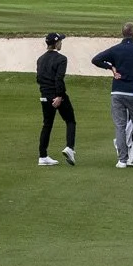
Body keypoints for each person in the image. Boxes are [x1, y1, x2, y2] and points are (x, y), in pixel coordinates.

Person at [91, 22, 133, 168]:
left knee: (120, 126)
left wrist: (111, 67)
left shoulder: (115, 50)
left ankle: (122, 160)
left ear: (123, 33)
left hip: (117, 92)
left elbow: (96, 59)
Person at [35, 32, 76, 166]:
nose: (61, 43)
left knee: (47, 124)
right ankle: (70, 148)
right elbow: (59, 78)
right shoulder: (61, 59)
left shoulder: (40, 59)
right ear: (56, 43)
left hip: (44, 95)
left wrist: (45, 94)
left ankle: (42, 156)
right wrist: (59, 96)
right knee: (70, 121)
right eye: (60, 41)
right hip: (57, 95)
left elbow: (39, 79)